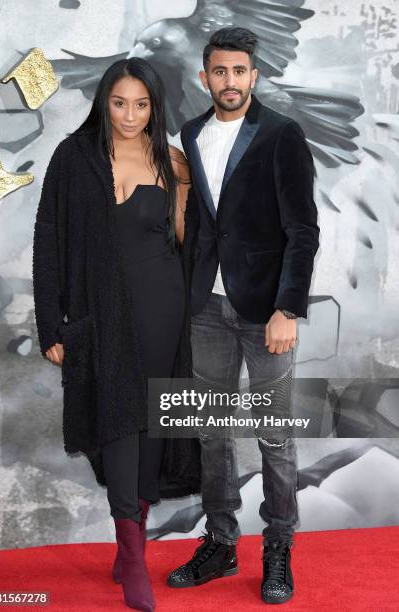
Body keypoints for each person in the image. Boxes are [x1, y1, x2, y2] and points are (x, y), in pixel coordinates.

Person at [32, 57, 199, 612]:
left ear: (156, 106)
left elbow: (183, 239)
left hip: (163, 309)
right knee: (119, 421)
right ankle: (132, 555)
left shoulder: (170, 160)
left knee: (151, 422)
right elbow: (48, 242)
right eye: (119, 102)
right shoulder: (74, 158)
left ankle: (131, 542)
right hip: (99, 313)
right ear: (104, 102)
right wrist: (50, 323)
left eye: (142, 104)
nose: (130, 115)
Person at [167, 27, 320, 604]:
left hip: (265, 313)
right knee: (212, 433)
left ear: (254, 76)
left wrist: (287, 308)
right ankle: (221, 543)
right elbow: (205, 225)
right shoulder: (191, 132)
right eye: (219, 72)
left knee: (274, 436)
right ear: (203, 77)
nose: (229, 81)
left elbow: (302, 232)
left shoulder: (282, 134)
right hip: (206, 307)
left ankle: (278, 549)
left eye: (239, 71)